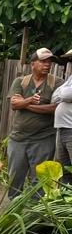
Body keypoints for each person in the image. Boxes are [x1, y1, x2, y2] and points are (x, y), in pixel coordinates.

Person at [6, 48, 58, 197]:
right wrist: (29, 100)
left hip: (43, 139)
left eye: (49, 62)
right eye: (43, 61)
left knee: (40, 180)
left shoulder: (56, 83)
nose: (47, 64)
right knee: (15, 177)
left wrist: (26, 104)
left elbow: (54, 108)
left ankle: (36, 215)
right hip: (18, 139)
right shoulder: (21, 81)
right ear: (33, 64)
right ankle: (14, 209)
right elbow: (14, 104)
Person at [52, 51, 72, 180]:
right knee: (65, 171)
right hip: (63, 128)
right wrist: (62, 94)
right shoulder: (70, 78)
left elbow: (65, 95)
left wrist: (62, 94)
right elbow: (54, 97)